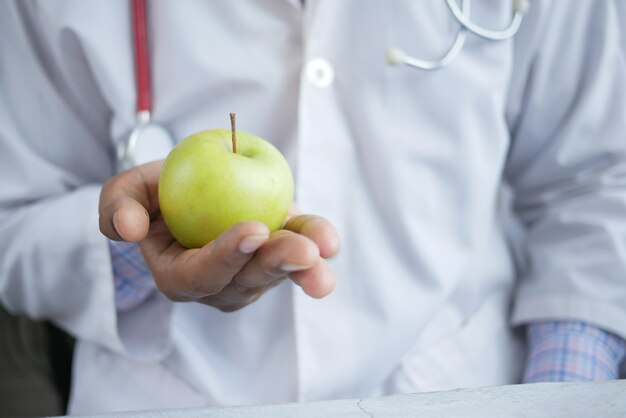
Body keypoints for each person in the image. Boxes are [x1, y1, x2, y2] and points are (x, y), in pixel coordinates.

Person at [1, 1, 625, 414]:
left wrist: (562, 398)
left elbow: (597, 178)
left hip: (459, 386)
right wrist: (140, 251)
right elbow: (13, 217)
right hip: (168, 396)